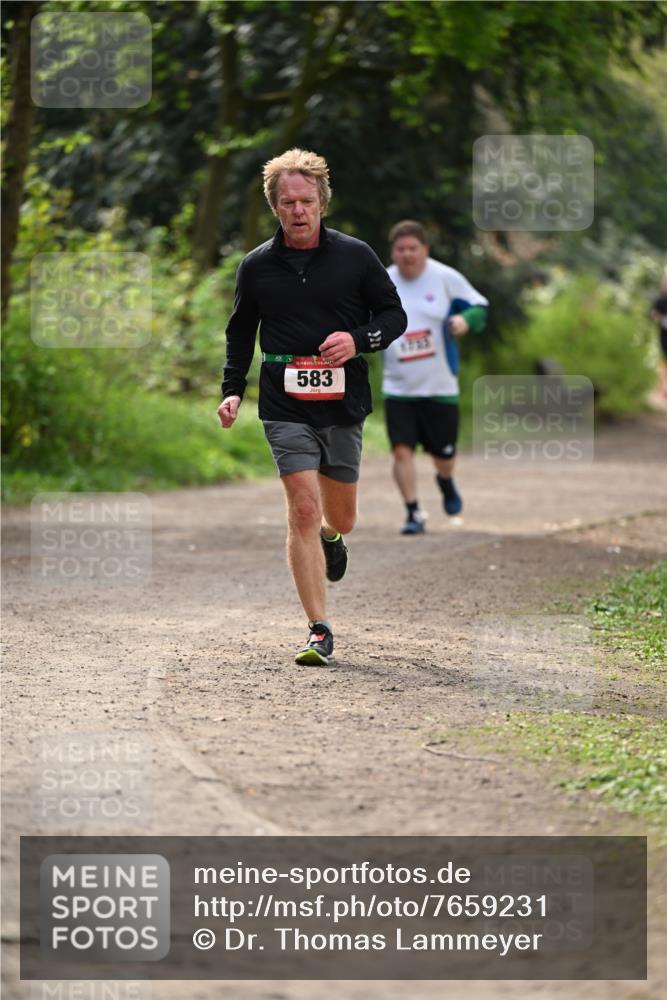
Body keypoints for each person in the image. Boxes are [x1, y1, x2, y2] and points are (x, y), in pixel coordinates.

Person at [218, 149, 406, 665]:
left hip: (342, 400)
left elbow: (394, 315)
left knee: (340, 514)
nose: (297, 211)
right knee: (302, 506)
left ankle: (331, 534)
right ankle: (318, 629)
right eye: (287, 203)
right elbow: (240, 332)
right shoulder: (257, 266)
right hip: (284, 401)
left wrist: (358, 339)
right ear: (274, 207)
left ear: (322, 202)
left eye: (306, 201)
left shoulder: (356, 256)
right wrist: (232, 389)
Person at [382, 220, 488, 535]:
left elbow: (480, 307)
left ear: (425, 249)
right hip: (398, 386)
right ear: (393, 252)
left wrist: (464, 320)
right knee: (401, 450)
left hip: (439, 385)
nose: (407, 254)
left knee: (444, 455)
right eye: (400, 249)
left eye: (413, 248)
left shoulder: (444, 277)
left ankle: (445, 478)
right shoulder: (383, 280)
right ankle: (413, 511)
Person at [650, 272, 667, 400]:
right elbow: (653, 314)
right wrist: (661, 318)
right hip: (664, 335)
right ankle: (662, 388)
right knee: (663, 360)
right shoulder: (660, 301)